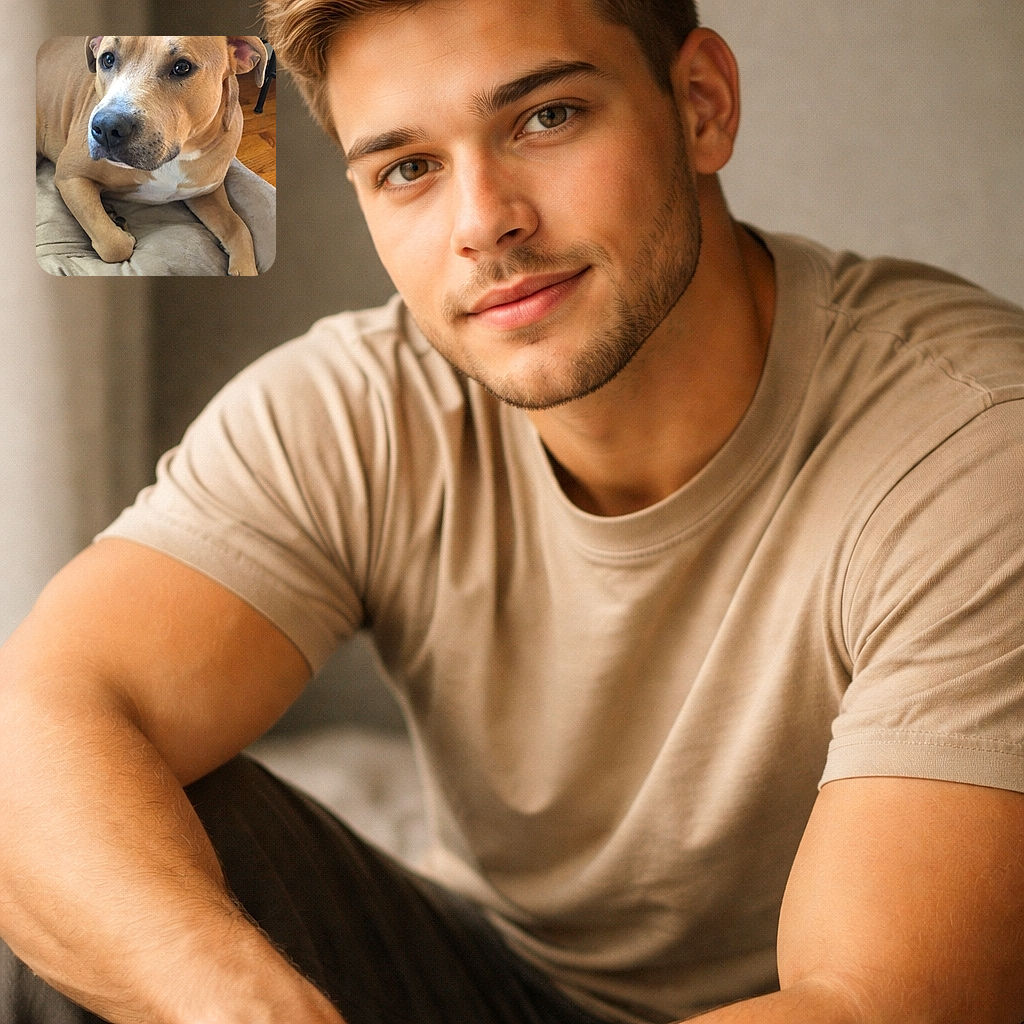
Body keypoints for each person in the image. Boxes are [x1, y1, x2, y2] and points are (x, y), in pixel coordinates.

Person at [2, 0, 1023, 1021]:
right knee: (107, 843)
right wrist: (243, 1007)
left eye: (547, 117)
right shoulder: (356, 408)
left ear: (701, 105)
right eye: (408, 168)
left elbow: (873, 1001)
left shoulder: (971, 442)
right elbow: (36, 722)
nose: (483, 221)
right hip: (495, 981)